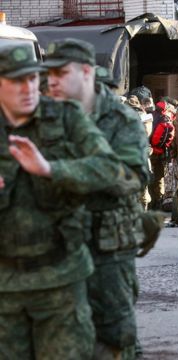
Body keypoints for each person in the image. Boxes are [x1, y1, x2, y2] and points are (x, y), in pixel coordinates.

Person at [0, 42, 130, 359]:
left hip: (60, 278)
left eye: (33, 79)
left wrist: (50, 169)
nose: (29, 88)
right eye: (18, 81)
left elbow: (110, 168)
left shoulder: (66, 117)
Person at [45, 38, 150, 360]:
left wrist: (65, 172)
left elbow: (133, 179)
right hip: (58, 241)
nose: (51, 81)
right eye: (48, 74)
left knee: (113, 333)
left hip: (107, 245)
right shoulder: (47, 119)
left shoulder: (121, 120)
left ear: (87, 72)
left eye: (61, 73)